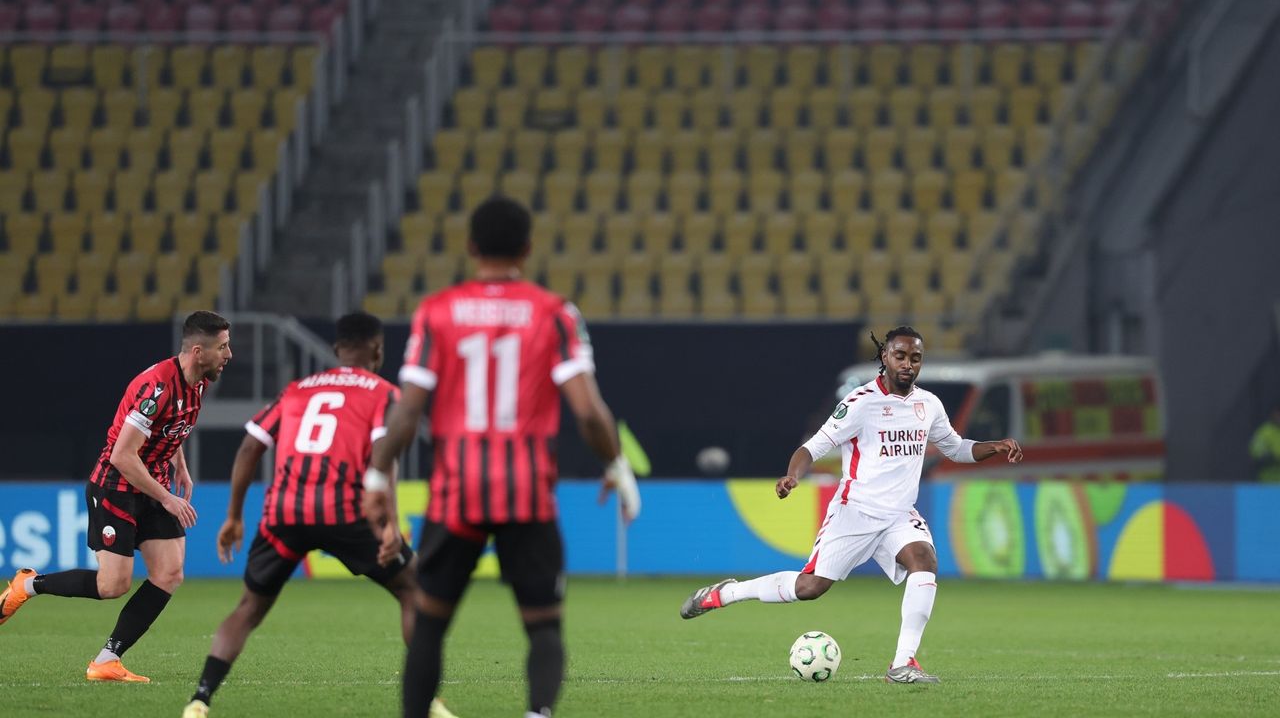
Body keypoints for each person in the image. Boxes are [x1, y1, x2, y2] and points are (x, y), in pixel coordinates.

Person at [362, 196, 641, 718]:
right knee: (543, 626)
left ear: (471, 248)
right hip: (527, 496)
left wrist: (377, 479)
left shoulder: (437, 311)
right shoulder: (555, 313)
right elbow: (588, 412)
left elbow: (407, 412)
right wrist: (616, 465)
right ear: (528, 249)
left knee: (430, 624)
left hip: (456, 494)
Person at [679, 326, 1024, 684]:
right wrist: (793, 476)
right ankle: (727, 593)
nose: (908, 364)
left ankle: (903, 664)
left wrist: (994, 446)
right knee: (809, 588)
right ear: (885, 357)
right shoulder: (860, 403)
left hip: (899, 515)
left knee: (924, 561)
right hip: (855, 511)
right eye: (900, 356)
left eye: (915, 358)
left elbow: (955, 447)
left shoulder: (928, 405)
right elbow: (812, 447)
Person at [182, 312, 456, 718]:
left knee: (249, 608)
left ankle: (200, 699)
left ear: (336, 349)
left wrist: (234, 516)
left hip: (284, 511)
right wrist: (390, 526)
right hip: (345, 510)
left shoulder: (297, 389)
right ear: (378, 350)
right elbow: (385, 456)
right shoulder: (383, 393)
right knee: (413, 589)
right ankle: (425, 701)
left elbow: (250, 447)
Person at [0, 311, 232, 683]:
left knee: (169, 573)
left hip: (152, 484)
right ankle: (27, 585)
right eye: (223, 347)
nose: (229, 354)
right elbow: (123, 456)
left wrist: (180, 465)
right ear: (198, 351)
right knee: (113, 586)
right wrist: (168, 498)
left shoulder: (198, 381)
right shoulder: (156, 389)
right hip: (117, 487)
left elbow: (169, 428)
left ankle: (107, 660)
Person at [1248, 405, 1280, 483]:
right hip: (1268, 481)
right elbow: (1256, 452)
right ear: (1273, 414)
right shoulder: (1264, 432)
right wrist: (1271, 457)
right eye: (1278, 414)